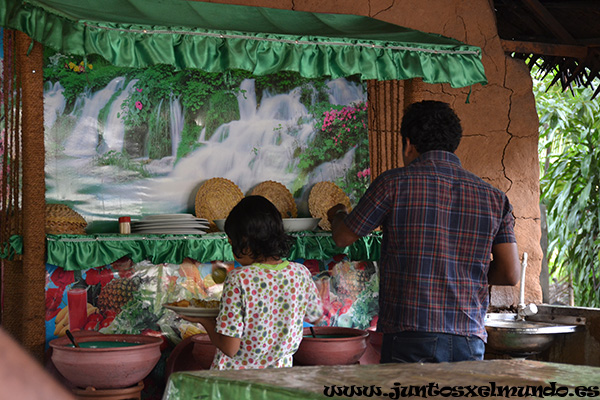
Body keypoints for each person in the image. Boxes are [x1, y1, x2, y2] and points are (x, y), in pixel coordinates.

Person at [327, 100, 520, 363]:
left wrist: (337, 214)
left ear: (408, 143)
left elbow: (343, 237)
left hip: (410, 335)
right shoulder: (495, 198)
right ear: (454, 143)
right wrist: (464, 273)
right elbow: (510, 273)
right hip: (468, 337)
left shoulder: (393, 184)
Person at [183, 195, 323, 369]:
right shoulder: (301, 273)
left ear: (244, 242)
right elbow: (315, 316)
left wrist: (205, 321)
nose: (231, 247)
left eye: (231, 242)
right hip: (280, 380)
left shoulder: (239, 279)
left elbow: (230, 348)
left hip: (238, 384)